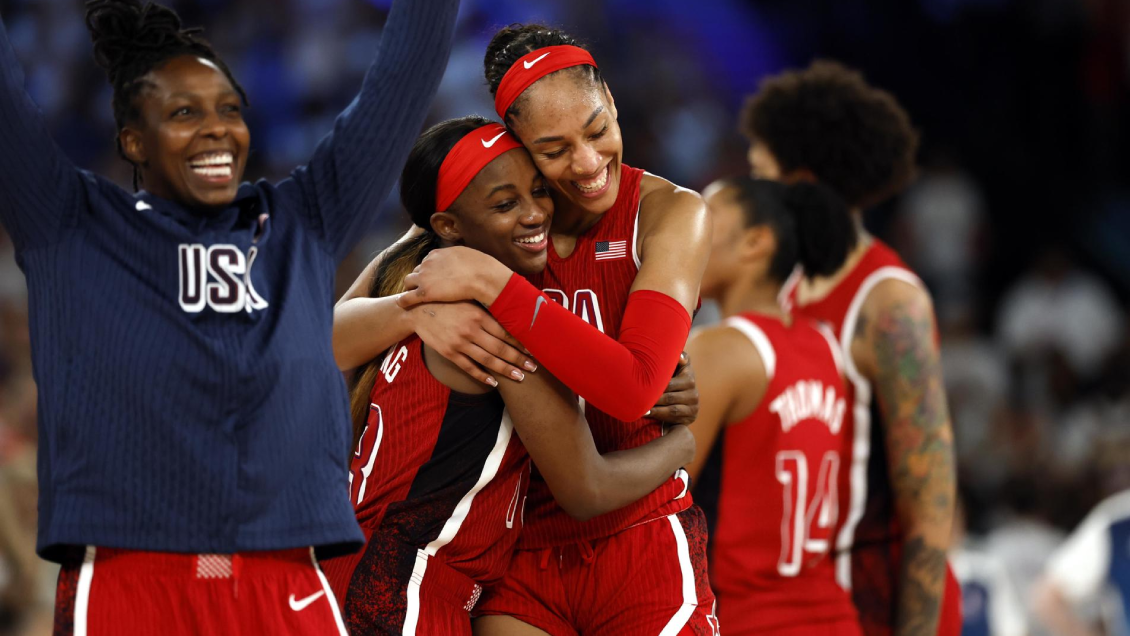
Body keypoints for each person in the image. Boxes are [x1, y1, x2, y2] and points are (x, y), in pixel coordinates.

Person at [0, 0, 458, 632]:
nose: (218, 129)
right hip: (132, 582)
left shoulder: (303, 220)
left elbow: (402, 78)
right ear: (133, 139)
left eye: (229, 110)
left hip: (288, 583)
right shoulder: (69, 225)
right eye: (185, 112)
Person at [335, 23, 717, 636]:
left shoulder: (669, 211)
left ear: (613, 102)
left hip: (638, 530)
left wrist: (488, 286)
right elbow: (327, 336)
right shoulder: (478, 217)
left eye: (597, 130)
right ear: (515, 142)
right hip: (515, 555)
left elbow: (635, 388)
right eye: (554, 149)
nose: (589, 163)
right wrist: (417, 309)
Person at [741, 60, 961, 636]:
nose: (746, 193)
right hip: (797, 598)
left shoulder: (889, 303)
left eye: (759, 175)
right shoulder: (775, 291)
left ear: (802, 184)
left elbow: (929, 505)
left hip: (879, 600)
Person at [684, 177, 862, 635]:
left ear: (755, 243)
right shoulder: (825, 343)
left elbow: (659, 503)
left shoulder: (718, 350)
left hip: (746, 617)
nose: (687, 230)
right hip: (833, 616)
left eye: (706, 217)